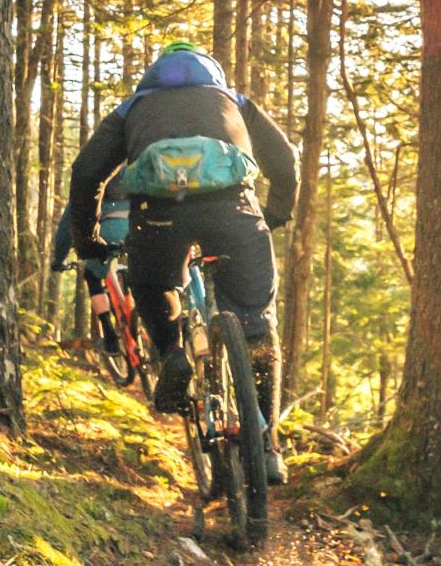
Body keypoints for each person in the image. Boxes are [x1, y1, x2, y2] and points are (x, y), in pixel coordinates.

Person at [68, 42, 299, 482]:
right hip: (232, 211)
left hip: (158, 216)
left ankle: (171, 352)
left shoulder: (133, 107)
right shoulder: (234, 101)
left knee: (153, 285)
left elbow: (85, 173)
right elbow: (284, 159)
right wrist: (275, 215)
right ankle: (267, 445)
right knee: (258, 328)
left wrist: (89, 243)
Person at [51, 169, 131, 360]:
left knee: (92, 276)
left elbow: (66, 227)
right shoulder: (134, 164)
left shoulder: (91, 175)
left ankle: (110, 336)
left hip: (107, 231)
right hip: (137, 226)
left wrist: (59, 259)